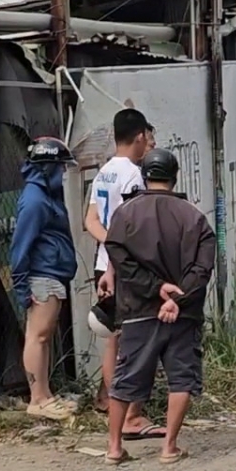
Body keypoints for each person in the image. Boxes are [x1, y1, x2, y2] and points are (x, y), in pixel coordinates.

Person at [103, 148, 216, 465]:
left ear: (144, 176)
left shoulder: (125, 214)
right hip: (183, 314)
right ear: (175, 176)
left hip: (138, 311)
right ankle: (169, 447)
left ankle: (114, 448)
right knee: (181, 378)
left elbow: (118, 257)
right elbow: (202, 269)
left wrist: (154, 290)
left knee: (126, 378)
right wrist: (176, 299)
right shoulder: (194, 217)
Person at [85, 108, 162, 438]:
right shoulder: (134, 176)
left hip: (103, 262)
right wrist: (118, 253)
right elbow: (129, 227)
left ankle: (114, 410)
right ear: (140, 136)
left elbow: (90, 221)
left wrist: (108, 247)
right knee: (136, 338)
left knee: (112, 340)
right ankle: (132, 414)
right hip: (123, 267)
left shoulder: (103, 173)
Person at [10, 136, 78, 421]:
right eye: (60, 167)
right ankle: (37, 399)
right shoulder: (36, 201)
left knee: (44, 337)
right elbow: (20, 246)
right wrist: (21, 286)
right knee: (37, 336)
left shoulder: (46, 195)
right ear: (48, 167)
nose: (63, 173)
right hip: (41, 276)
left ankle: (45, 395)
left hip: (51, 274)